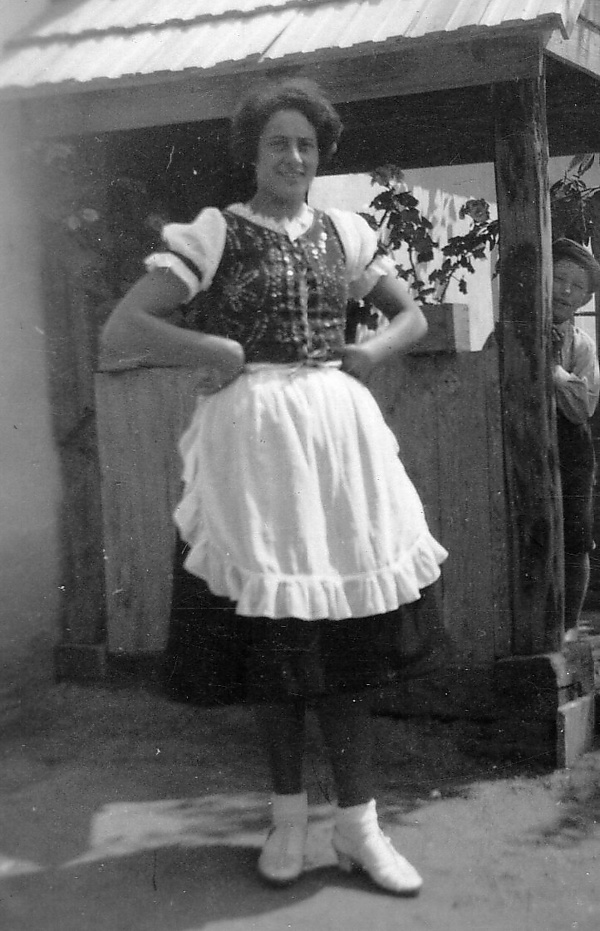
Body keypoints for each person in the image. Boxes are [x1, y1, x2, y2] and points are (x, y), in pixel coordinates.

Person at [101, 77, 447, 895]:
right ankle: (287, 817)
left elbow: (413, 315)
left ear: (319, 156)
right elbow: (125, 325)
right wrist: (214, 351)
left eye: (306, 145)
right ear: (252, 155)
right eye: (278, 143)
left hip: (336, 446)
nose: (294, 157)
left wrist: (371, 351)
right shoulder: (217, 233)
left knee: (348, 640)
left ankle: (359, 826)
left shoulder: (343, 233)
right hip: (255, 449)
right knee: (274, 639)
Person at [551, 238, 600, 643]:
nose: (565, 291)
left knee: (575, 537)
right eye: (558, 279)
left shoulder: (582, 345)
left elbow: (582, 407)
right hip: (523, 441)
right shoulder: (509, 334)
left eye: (577, 286)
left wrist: (552, 374)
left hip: (571, 446)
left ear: (585, 298)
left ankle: (568, 627)